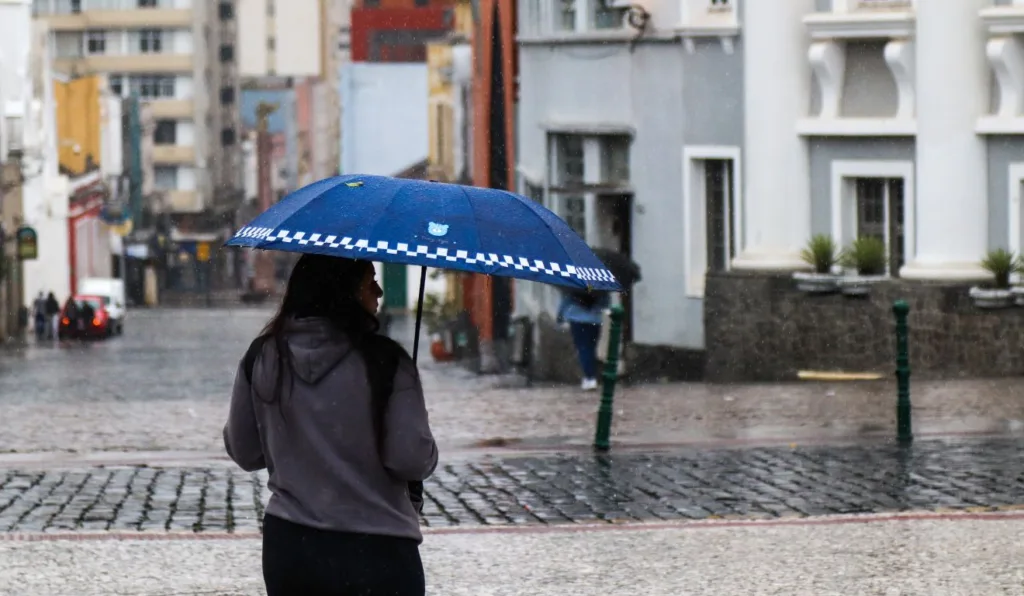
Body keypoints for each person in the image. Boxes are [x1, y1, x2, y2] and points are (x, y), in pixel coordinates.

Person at [224, 254, 437, 596]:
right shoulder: (386, 362)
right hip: (378, 549)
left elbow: (245, 450)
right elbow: (410, 458)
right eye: (370, 282)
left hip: (293, 548)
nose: (380, 291)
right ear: (346, 293)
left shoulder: (263, 355)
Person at [557, 288, 611, 391]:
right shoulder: (600, 284)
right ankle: (591, 376)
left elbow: (566, 300)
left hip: (577, 318)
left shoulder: (573, 283)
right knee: (591, 348)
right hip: (595, 320)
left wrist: (560, 317)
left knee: (583, 348)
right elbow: (606, 302)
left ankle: (589, 377)